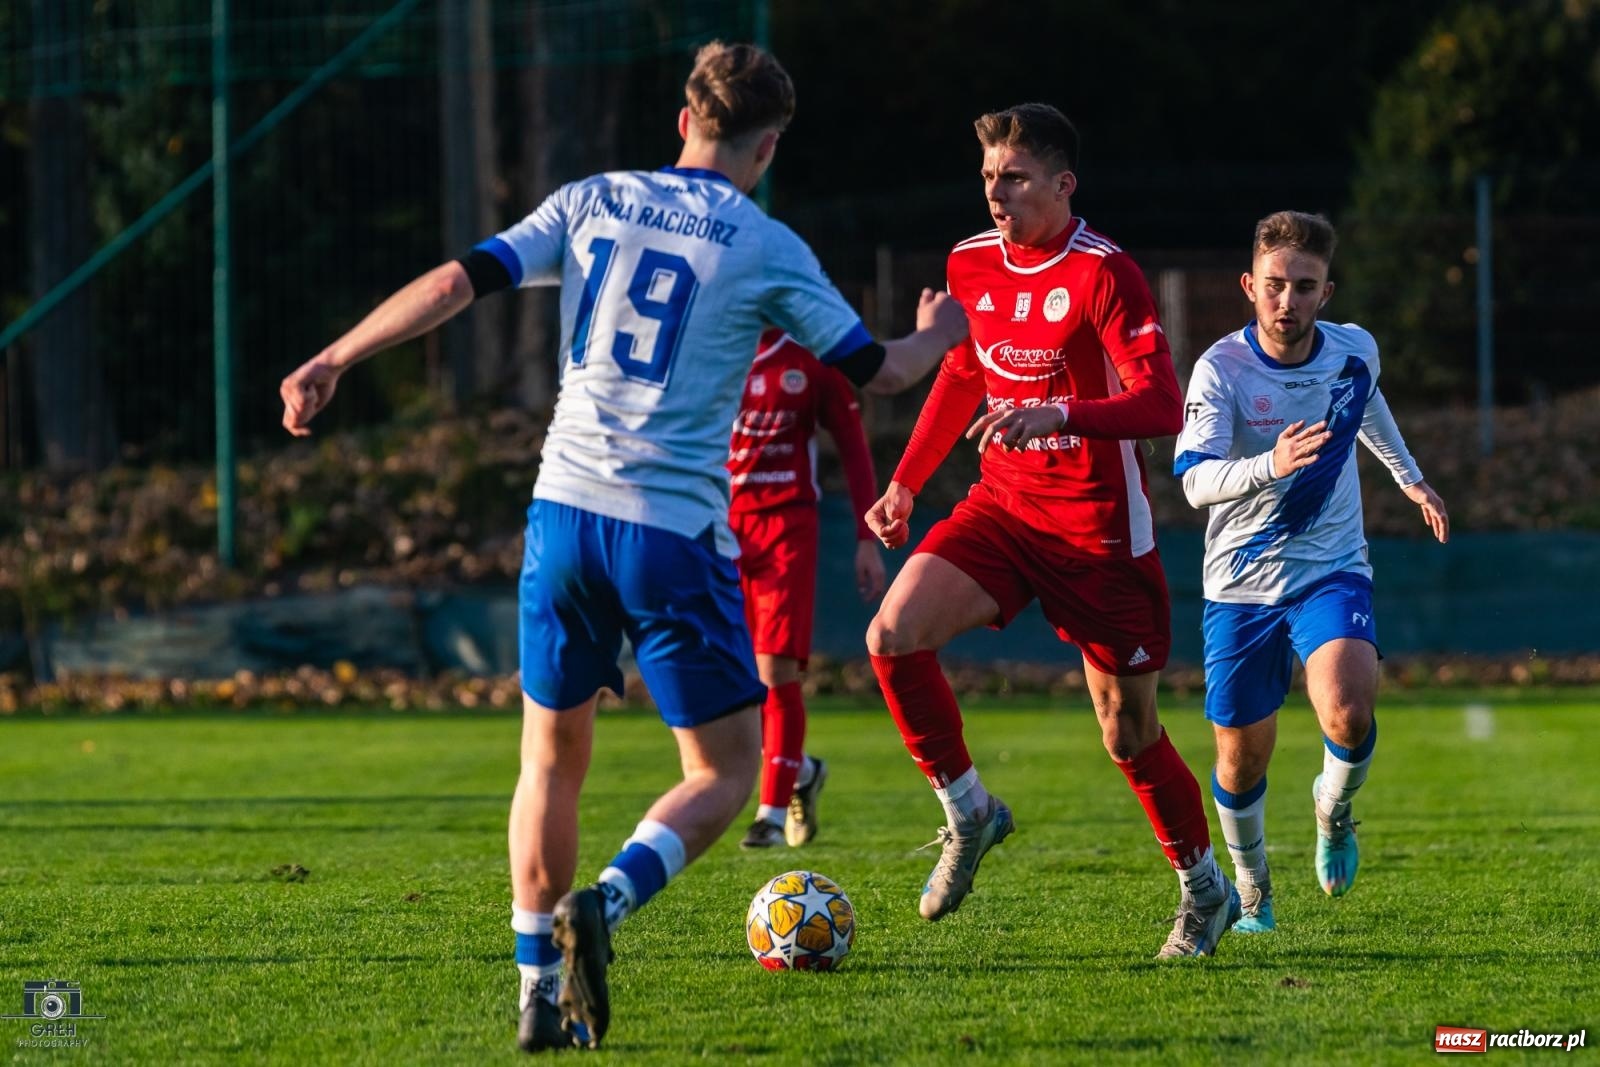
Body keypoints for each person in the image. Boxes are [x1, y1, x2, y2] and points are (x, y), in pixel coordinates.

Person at [279, 41, 967, 1052]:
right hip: (669, 528)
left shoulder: (591, 198)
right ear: (767, 144)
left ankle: (533, 990)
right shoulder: (764, 243)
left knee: (548, 763)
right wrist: (943, 333)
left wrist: (334, 354)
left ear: (684, 118)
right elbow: (880, 372)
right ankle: (604, 898)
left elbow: (458, 281)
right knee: (729, 768)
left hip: (561, 513)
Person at [864, 102, 1240, 960]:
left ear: (1063, 185)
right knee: (891, 634)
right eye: (990, 176)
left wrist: (1059, 411)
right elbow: (963, 370)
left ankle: (1202, 888)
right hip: (1001, 508)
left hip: (1097, 530)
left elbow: (1163, 404)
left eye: (1018, 177)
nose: (998, 192)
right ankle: (970, 811)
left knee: (1126, 732)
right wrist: (906, 481)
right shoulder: (968, 263)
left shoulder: (1107, 272)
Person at [1174, 210, 1449, 933]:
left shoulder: (1355, 350)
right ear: (1249, 286)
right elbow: (1194, 483)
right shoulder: (1220, 370)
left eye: (1304, 286)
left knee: (1351, 712)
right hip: (1238, 583)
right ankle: (1253, 887)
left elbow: (1365, 402)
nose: (1287, 301)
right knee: (1239, 759)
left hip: (1330, 568)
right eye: (1274, 285)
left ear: (1327, 292)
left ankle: (1332, 807)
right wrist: (1272, 463)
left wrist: (1410, 479)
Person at [728, 328, 886, 850]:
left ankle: (770, 815)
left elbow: (853, 446)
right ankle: (800, 772)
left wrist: (867, 538)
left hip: (784, 530)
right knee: (724, 686)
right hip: (714, 530)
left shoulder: (808, 360)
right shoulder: (705, 343)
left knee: (775, 673)